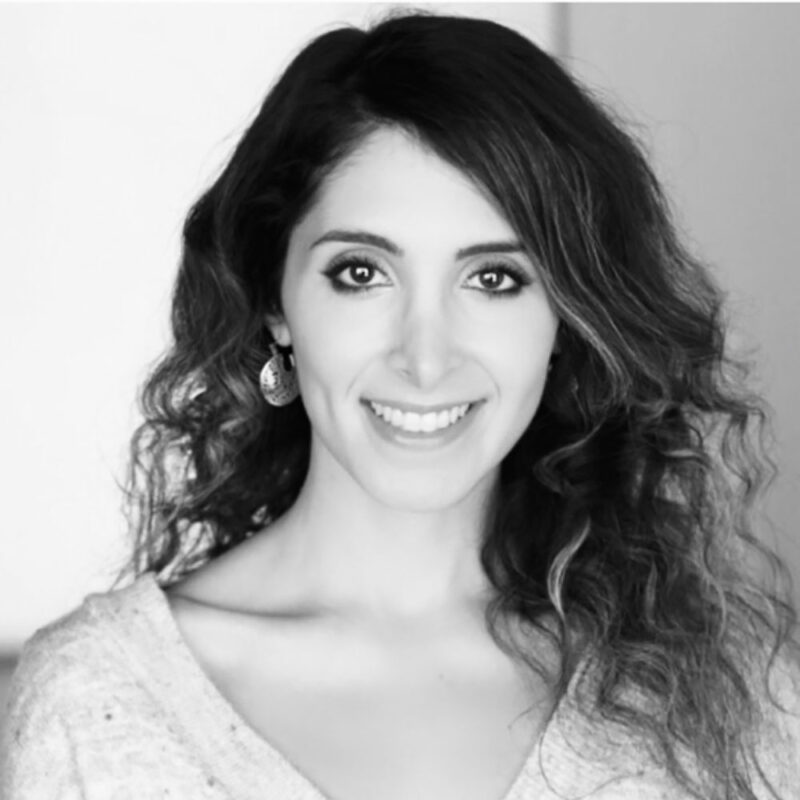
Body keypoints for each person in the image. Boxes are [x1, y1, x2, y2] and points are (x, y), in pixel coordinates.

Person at [2, 10, 799, 800]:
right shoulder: (96, 707)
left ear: (565, 318)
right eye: (361, 273)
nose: (425, 358)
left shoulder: (738, 698)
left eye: (493, 279)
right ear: (275, 300)